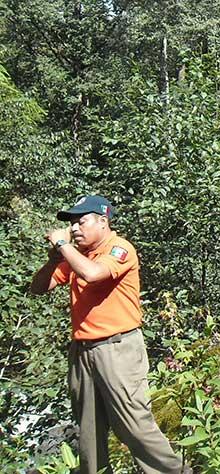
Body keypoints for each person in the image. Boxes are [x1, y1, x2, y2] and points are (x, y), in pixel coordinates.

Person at [30, 196, 185, 474]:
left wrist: (64, 245)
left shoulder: (118, 248)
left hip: (117, 347)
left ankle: (171, 471)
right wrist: (54, 258)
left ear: (103, 221)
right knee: (88, 429)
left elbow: (93, 274)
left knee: (134, 423)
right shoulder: (79, 254)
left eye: (81, 221)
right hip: (83, 351)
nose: (75, 228)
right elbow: (39, 287)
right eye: (71, 224)